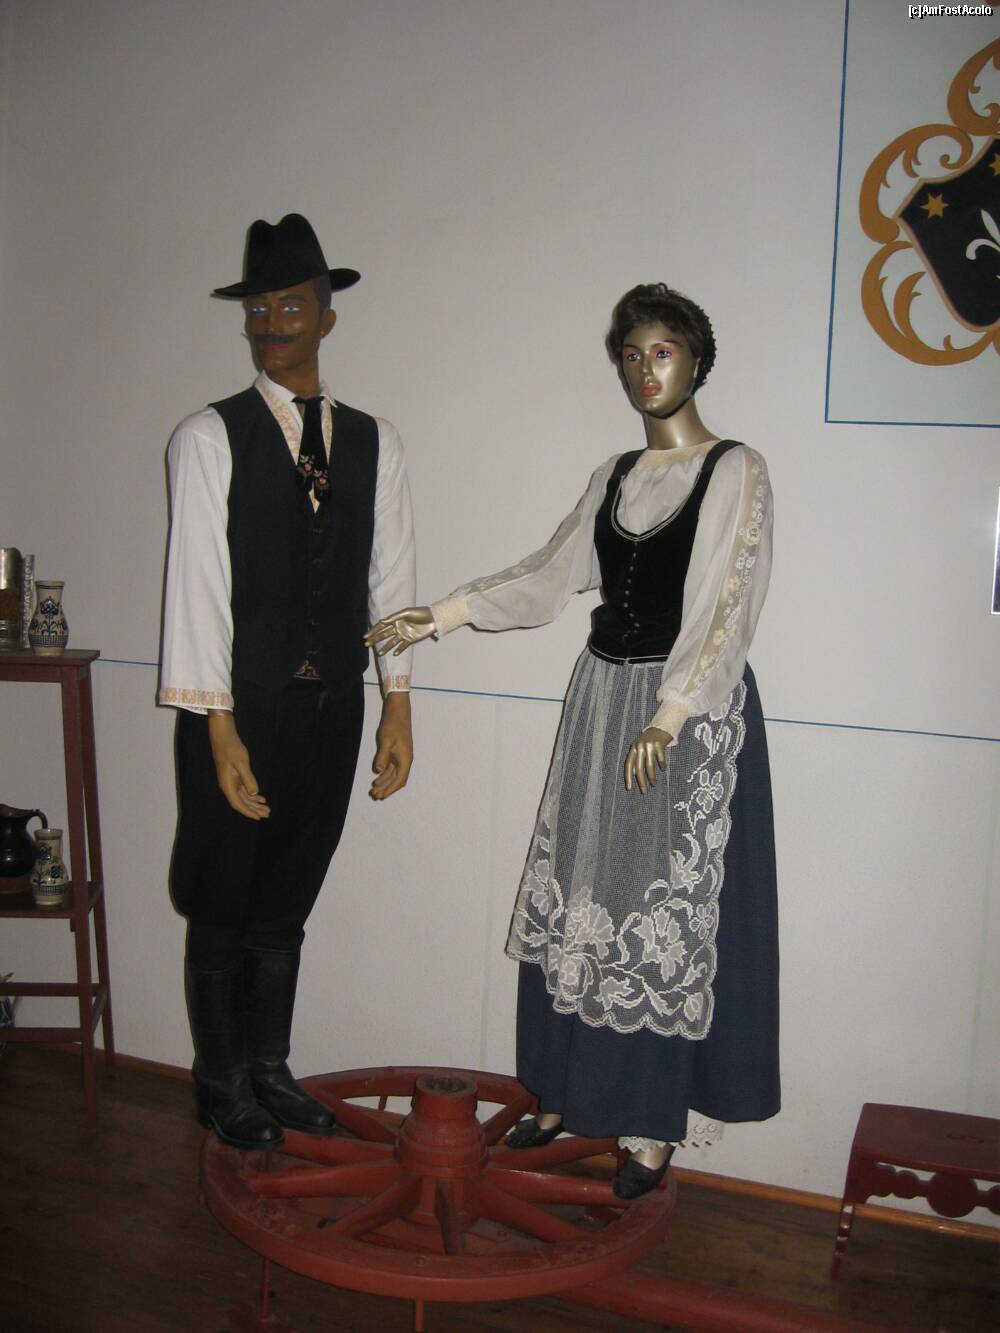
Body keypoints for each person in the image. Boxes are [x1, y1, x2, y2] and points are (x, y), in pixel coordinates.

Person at [367, 283, 778, 1199]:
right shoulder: (615, 474)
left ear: (697, 360)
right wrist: (443, 614)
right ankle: (562, 1089)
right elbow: (551, 572)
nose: (646, 370)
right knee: (582, 890)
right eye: (631, 355)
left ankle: (649, 1121)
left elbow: (726, 604)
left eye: (662, 351)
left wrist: (671, 712)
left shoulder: (735, 469)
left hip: (682, 715)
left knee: (654, 912)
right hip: (600, 701)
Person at [160, 213, 415, 1151]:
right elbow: (196, 587)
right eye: (259, 308)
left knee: (288, 896)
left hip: (331, 705)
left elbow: (391, 580)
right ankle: (220, 1079)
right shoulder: (207, 437)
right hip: (238, 708)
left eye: (292, 306)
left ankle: (269, 1068)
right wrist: (218, 725)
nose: (272, 322)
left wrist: (398, 701)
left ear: (327, 317)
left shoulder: (377, 442)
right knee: (222, 894)